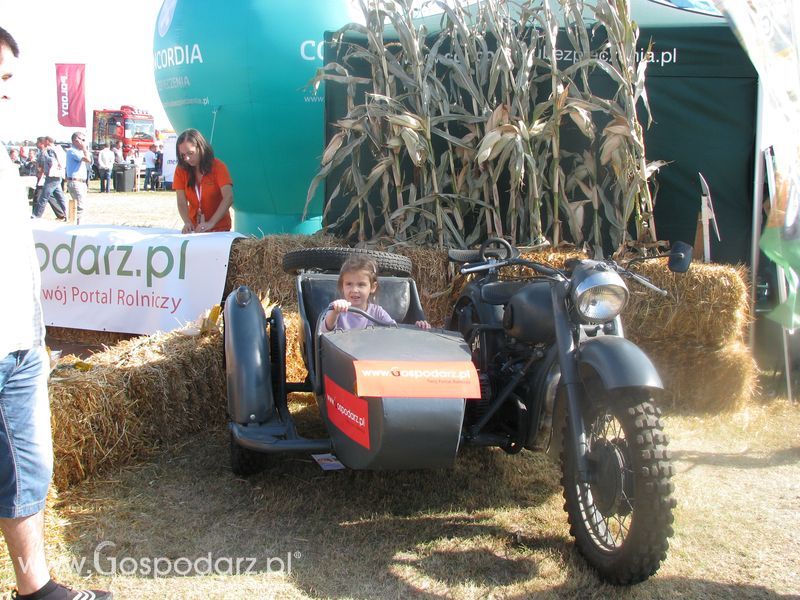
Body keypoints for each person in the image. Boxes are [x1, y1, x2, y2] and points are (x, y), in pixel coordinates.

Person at [0, 26, 112, 600]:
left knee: (26, 476)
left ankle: (35, 587)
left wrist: (36, 337)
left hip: (18, 345)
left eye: (8, 79)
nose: (6, 92)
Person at [320, 255, 431, 333]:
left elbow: (394, 331)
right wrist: (334, 312)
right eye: (349, 284)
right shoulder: (337, 308)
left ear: (372, 287)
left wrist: (417, 328)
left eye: (361, 285)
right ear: (342, 286)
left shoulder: (377, 312)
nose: (354, 289)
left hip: (368, 359)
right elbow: (325, 330)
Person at [173, 128, 233, 233]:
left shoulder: (218, 167)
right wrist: (187, 222)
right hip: (195, 229)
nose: (186, 158)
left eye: (190, 153)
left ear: (201, 148)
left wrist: (212, 223)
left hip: (220, 229)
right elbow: (181, 202)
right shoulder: (180, 169)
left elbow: (228, 197)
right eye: (183, 155)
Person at [32, 136, 66, 220]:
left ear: (47, 141)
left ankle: (36, 215)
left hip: (52, 176)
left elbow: (50, 162)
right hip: (56, 176)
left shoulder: (50, 150)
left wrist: (42, 170)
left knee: (43, 197)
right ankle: (66, 213)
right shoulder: (59, 149)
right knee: (59, 197)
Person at [64, 132, 90, 223]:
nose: (84, 142)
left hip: (81, 182)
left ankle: (77, 225)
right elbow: (88, 160)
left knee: (80, 206)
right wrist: (85, 149)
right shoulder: (72, 151)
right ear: (76, 140)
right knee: (80, 207)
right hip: (76, 182)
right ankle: (78, 228)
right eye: (82, 140)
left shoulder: (78, 152)